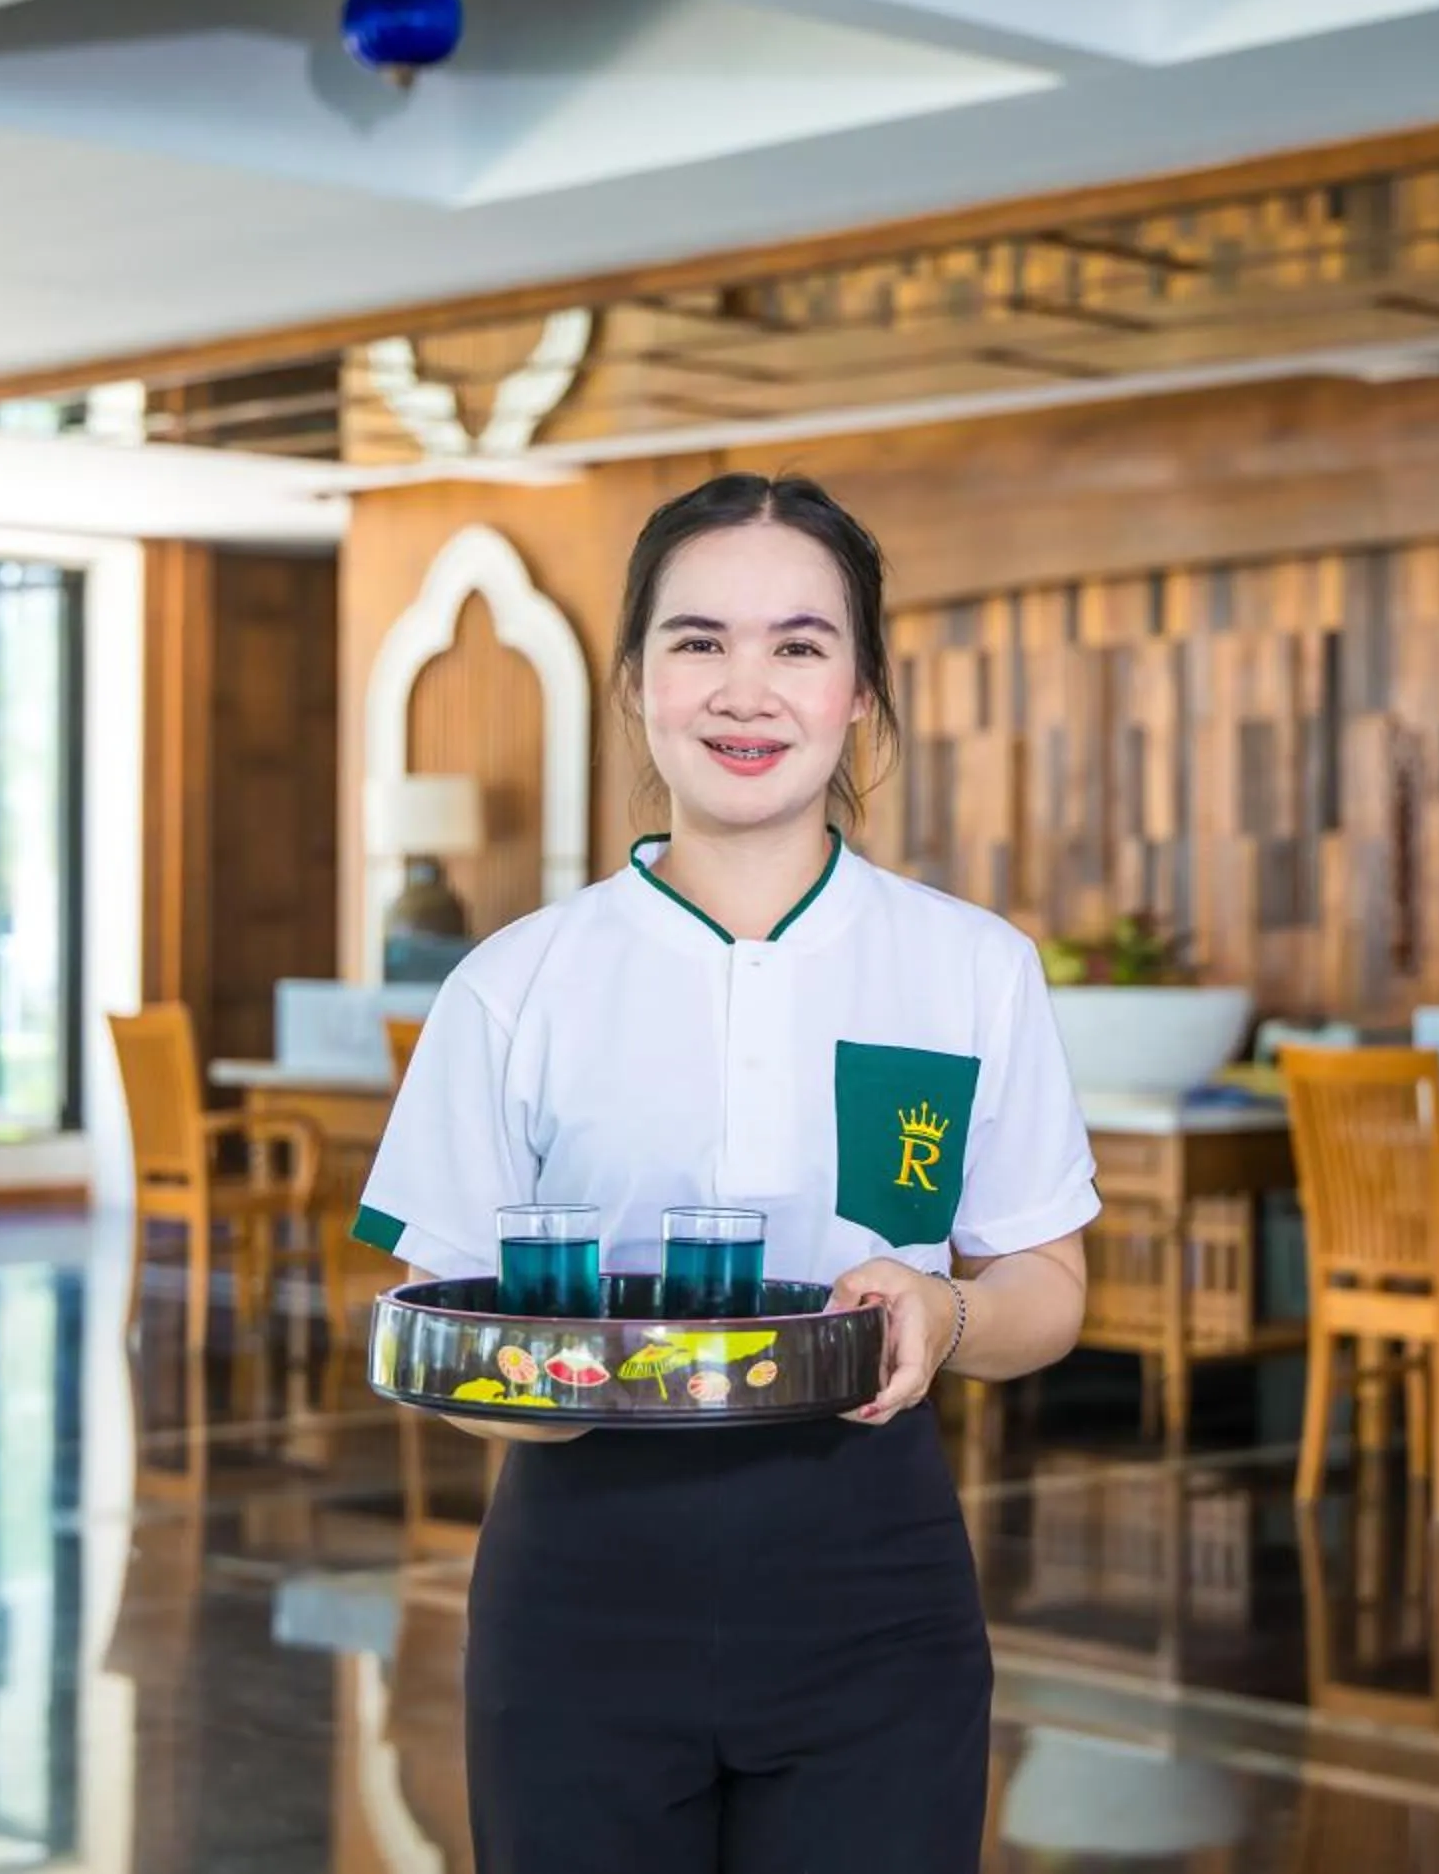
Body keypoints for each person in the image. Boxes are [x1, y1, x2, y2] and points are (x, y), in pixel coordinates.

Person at [353, 471, 1099, 1873]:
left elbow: (1050, 1283)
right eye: (698, 641)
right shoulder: (516, 983)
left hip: (876, 1591)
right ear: (635, 681)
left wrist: (949, 1316)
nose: (745, 688)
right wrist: (539, 1395)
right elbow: (434, 1299)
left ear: (863, 688)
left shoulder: (968, 967)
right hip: (578, 1597)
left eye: (799, 644)